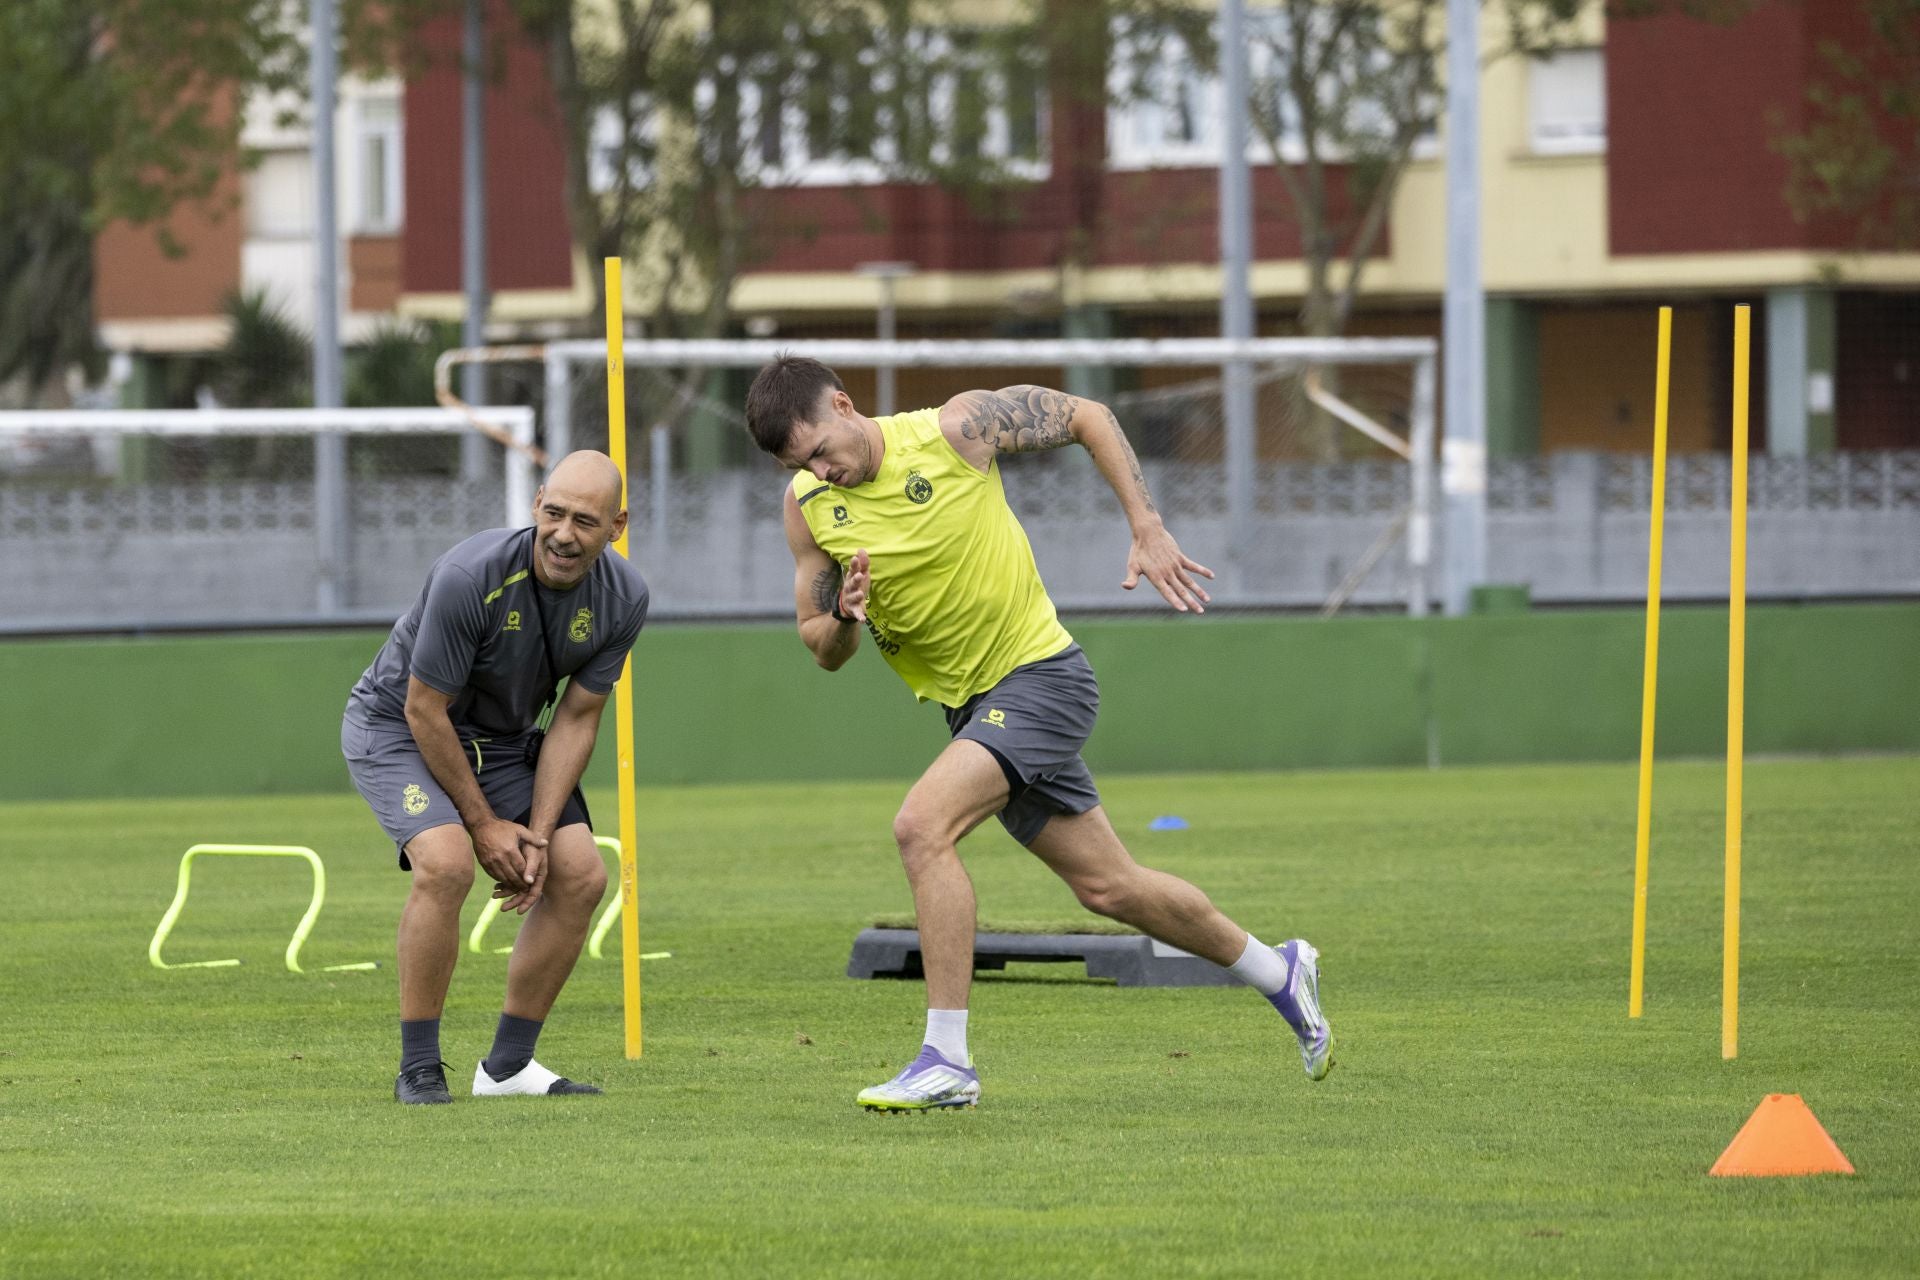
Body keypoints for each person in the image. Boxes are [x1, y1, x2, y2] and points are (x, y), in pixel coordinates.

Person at [743, 356, 1330, 1112]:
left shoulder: (957, 431)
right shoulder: (808, 508)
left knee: (922, 828)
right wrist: (846, 616)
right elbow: (820, 647)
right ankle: (1279, 971)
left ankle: (946, 1059)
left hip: (1042, 678)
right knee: (1109, 887)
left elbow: (1088, 414)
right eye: (803, 466)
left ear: (846, 406)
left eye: (823, 451)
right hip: (974, 708)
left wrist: (1146, 525)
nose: (824, 473)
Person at [341, 450, 650, 1104]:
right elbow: (423, 709)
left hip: (505, 742)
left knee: (582, 872)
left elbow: (576, 718)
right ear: (537, 503)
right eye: (555, 513)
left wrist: (536, 835)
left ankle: (508, 1067)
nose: (564, 534)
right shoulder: (468, 576)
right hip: (399, 726)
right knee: (448, 862)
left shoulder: (624, 599)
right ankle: (419, 1067)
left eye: (585, 522)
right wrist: (483, 826)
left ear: (617, 526)